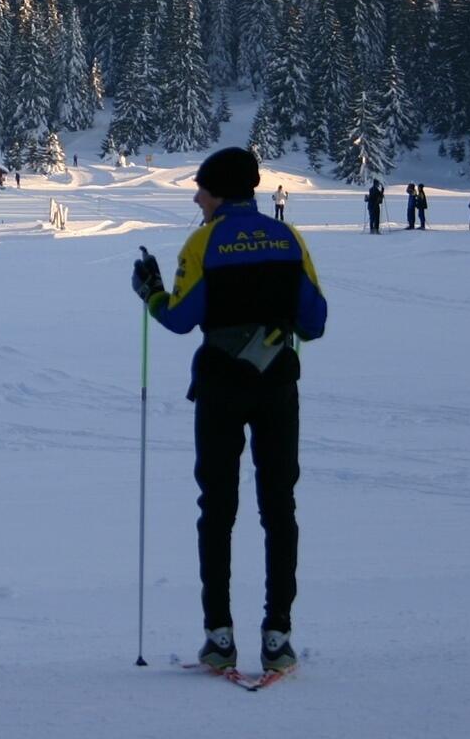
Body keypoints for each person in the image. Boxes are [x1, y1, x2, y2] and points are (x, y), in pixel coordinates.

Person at [131, 147, 326, 680]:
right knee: (278, 509)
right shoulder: (288, 238)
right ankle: (279, 635)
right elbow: (315, 321)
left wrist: (149, 290)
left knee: (217, 510)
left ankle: (220, 637)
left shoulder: (205, 240)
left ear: (219, 193)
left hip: (220, 387)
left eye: (201, 189)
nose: (196, 197)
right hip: (277, 387)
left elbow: (179, 317)